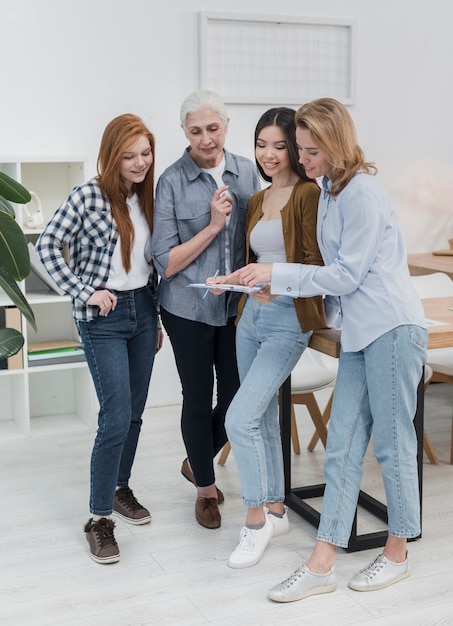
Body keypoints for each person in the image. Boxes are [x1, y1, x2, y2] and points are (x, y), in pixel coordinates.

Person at [230, 98, 427, 600]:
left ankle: (397, 553)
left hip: (391, 328)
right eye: (300, 149)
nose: (303, 159)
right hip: (360, 332)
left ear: (336, 145)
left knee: (392, 445)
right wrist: (284, 288)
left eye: (311, 150)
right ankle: (322, 562)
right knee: (340, 447)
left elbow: (346, 275)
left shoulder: (361, 193)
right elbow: (337, 282)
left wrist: (279, 274)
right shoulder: (332, 193)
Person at [36, 113, 163, 564]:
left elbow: (149, 266)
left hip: (143, 313)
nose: (139, 162)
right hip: (102, 318)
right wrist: (86, 291)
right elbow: (45, 247)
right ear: (111, 156)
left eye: (145, 153)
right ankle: (99, 518)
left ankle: (119, 486)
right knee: (115, 415)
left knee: (134, 415)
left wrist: (157, 320)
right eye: (128, 155)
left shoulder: (148, 196)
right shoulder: (89, 195)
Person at [210, 107, 326, 568]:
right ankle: (276, 508)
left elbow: (320, 267)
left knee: (238, 419)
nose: (270, 154)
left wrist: (276, 283)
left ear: (296, 149)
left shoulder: (310, 195)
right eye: (262, 145)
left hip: (287, 320)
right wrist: (234, 281)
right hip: (250, 317)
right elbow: (256, 259)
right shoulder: (257, 200)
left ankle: (254, 524)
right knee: (259, 417)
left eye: (280, 146)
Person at [151, 90, 260, 529]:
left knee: (237, 395)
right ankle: (206, 491)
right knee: (197, 396)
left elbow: (257, 239)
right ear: (184, 133)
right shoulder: (171, 181)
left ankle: (196, 460)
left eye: (213, 129)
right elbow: (167, 261)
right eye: (196, 131)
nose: (206, 139)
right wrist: (215, 226)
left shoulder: (249, 172)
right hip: (186, 308)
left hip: (236, 308)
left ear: (227, 125)